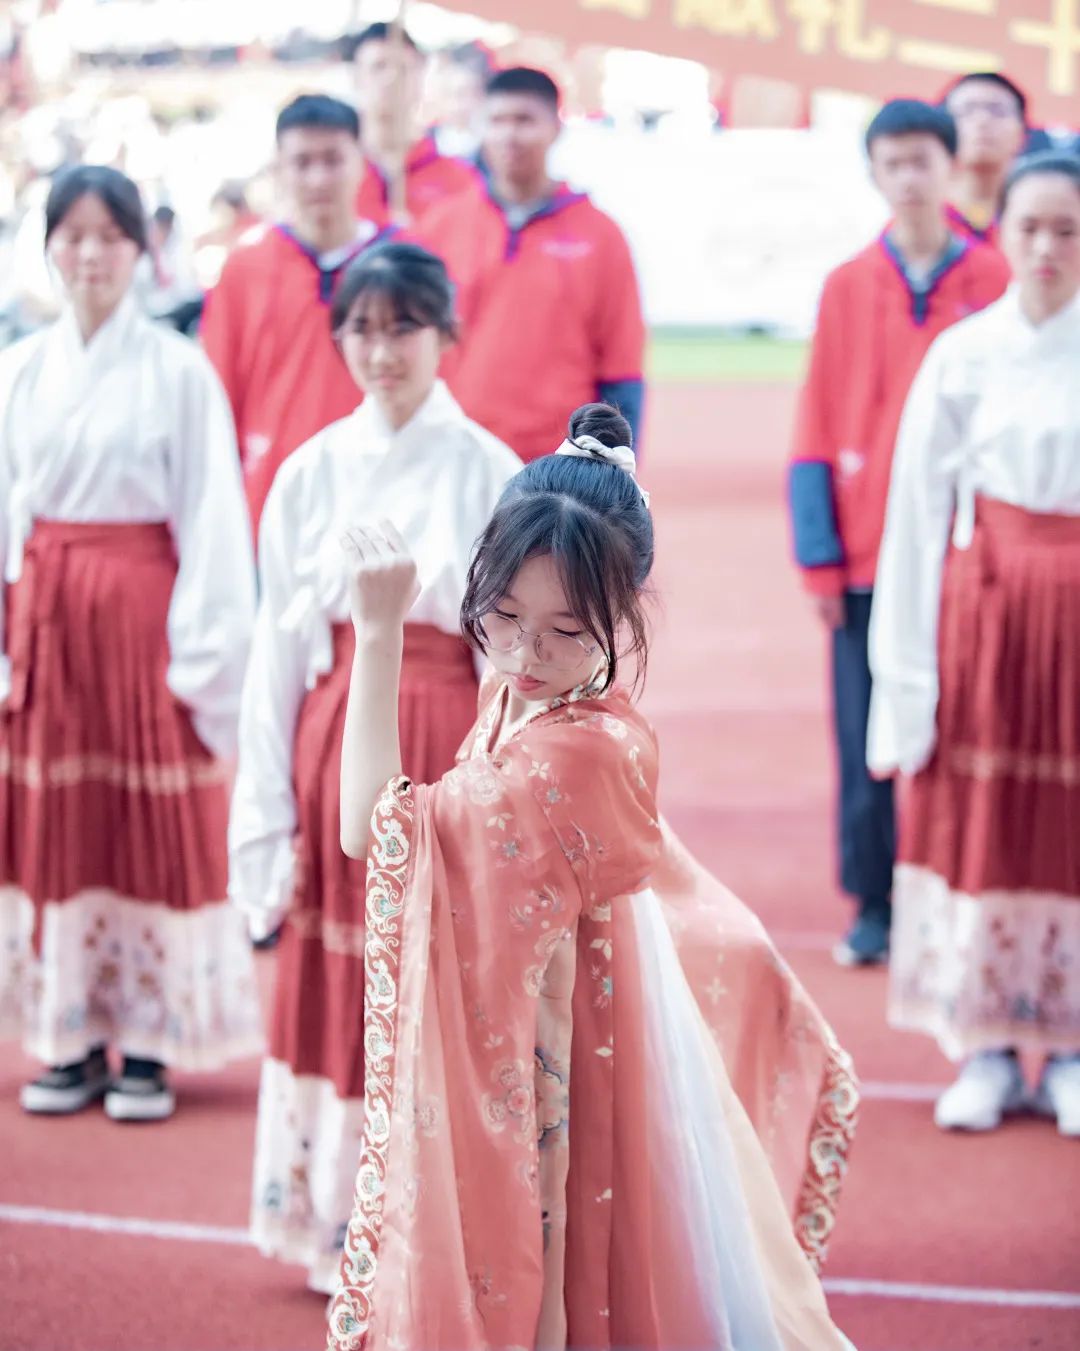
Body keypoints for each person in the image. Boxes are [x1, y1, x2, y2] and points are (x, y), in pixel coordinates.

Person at [327, 402, 859, 1351]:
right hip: (561, 1029)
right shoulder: (540, 700)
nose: (525, 655)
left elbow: (376, 829)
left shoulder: (576, 749)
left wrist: (378, 633)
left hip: (561, 1056)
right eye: (503, 618)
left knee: (563, 1273)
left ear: (624, 615)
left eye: (566, 630)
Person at [229, 242, 521, 1293]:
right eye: (360, 325)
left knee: (449, 966)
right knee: (347, 964)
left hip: (450, 736)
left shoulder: (492, 469)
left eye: (403, 326)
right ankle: (344, 1213)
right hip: (336, 735)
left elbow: (514, 648)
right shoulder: (310, 472)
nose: (380, 348)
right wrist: (262, 814)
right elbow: (277, 651)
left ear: (446, 333)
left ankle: (442, 1212)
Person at [0, 165, 260, 1122]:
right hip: (48, 619)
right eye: (70, 236)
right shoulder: (20, 368)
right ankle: (69, 1034)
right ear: (49, 250)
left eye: (108, 236)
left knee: (145, 818)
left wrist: (202, 657)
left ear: (139, 251)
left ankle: (148, 1040)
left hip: (145, 621)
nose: (89, 255)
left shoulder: (177, 370)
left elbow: (211, 518)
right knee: (59, 823)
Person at [868, 151, 1080, 1137]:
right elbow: (914, 516)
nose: (1046, 248)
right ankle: (987, 1045)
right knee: (986, 817)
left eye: (1067, 230)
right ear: (1000, 232)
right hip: (987, 615)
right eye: (1030, 227)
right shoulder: (963, 354)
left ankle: (1070, 1045)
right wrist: (904, 678)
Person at [788, 99, 1010, 968]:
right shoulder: (848, 284)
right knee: (864, 735)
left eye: (923, 160)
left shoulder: (992, 278)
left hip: (967, 560)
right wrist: (819, 558)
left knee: (971, 734)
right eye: (893, 162)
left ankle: (963, 894)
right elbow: (814, 421)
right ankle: (875, 900)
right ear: (875, 174)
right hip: (866, 556)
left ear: (951, 168)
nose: (909, 177)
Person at [418, 67, 646, 464]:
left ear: (555, 127)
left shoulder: (600, 235)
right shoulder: (439, 228)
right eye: (497, 121)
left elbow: (620, 371)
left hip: (558, 464)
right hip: (455, 453)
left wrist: (615, 468)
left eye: (524, 120)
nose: (509, 135)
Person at [202, 95, 391, 536]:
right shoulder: (245, 266)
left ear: (360, 162)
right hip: (270, 502)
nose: (318, 177)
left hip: (380, 494)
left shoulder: (399, 259)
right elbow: (219, 396)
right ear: (278, 168)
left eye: (332, 160)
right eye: (302, 162)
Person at [349, 22, 479, 231]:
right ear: (356, 78)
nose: (390, 78)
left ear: (420, 78)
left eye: (402, 69)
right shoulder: (334, 172)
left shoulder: (458, 179)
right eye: (378, 66)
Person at [942, 72, 1027, 246]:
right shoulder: (919, 213)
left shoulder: (1038, 218)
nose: (982, 121)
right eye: (967, 111)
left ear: (1022, 134)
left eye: (997, 111)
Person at [427, 41, 492, 166]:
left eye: (473, 94)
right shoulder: (427, 142)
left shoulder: (492, 147)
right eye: (457, 94)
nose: (463, 105)